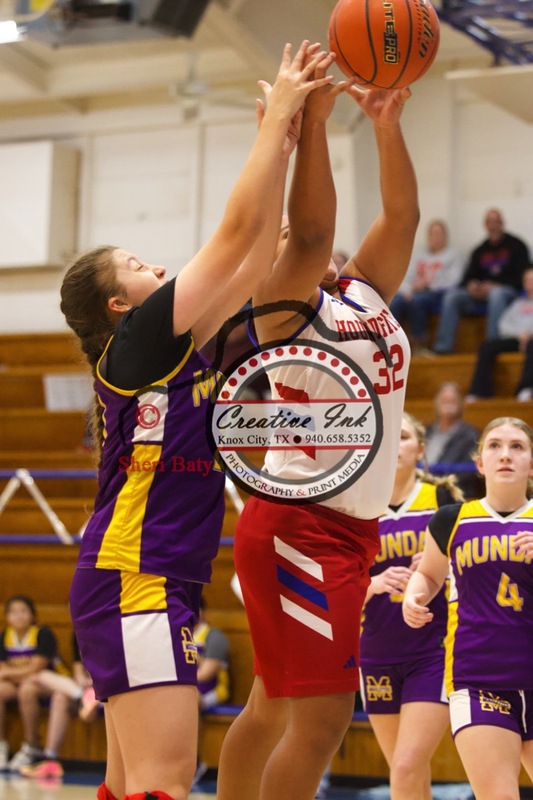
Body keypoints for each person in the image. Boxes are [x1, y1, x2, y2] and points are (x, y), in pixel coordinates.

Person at [59, 40, 335, 800]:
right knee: (164, 783)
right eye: (142, 266)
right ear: (121, 305)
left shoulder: (180, 347)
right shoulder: (139, 339)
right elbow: (238, 235)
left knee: (130, 785)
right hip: (136, 580)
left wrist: (285, 146)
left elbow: (253, 263)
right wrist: (275, 116)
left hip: (146, 578)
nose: (159, 268)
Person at [217, 59, 419, 800]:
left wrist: (385, 126)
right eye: (281, 240)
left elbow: (398, 219)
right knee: (326, 717)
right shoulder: (280, 309)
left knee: (273, 702)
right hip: (300, 526)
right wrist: (314, 134)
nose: (298, 241)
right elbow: (309, 231)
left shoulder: (358, 290)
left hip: (342, 529)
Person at [402, 417, 533, 800]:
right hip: (477, 680)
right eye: (494, 446)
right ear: (479, 463)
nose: (505, 454)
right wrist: (415, 594)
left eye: (517, 447)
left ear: (531, 463)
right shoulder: (451, 520)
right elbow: (428, 574)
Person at [359, 412, 464, 800]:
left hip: (432, 649)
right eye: (387, 437)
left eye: (403, 437)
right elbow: (333, 578)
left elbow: (475, 566)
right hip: (375, 650)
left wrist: (442, 568)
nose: (394, 445)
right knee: (408, 774)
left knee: (405, 766)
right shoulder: (359, 505)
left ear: (420, 449)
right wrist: (369, 582)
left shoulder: (441, 500)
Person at [433, 208, 530, 354]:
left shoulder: (517, 246)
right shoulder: (479, 250)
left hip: (507, 293)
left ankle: (493, 345)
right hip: (480, 295)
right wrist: (472, 285)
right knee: (452, 297)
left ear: (502, 223)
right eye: (489, 222)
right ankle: (443, 347)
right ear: (485, 225)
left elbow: (523, 278)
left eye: (496, 222)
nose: (493, 226)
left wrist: (497, 285)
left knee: (496, 294)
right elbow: (467, 279)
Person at [18, 632, 101, 779]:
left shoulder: (110, 629)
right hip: (86, 689)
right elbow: (78, 670)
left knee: (41, 677)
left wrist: (95, 684)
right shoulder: (78, 633)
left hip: (107, 690)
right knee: (59, 696)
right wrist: (85, 683)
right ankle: (50, 759)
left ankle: (86, 698)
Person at [0, 595, 68, 772]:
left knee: (27, 689)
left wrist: (10, 672)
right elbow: (2, 672)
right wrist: (16, 673)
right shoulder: (4, 636)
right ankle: (1, 746)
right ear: (7, 616)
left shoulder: (43, 634)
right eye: (13, 612)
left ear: (33, 615)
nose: (19, 616)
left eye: (23, 611)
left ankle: (32, 746)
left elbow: (37, 669)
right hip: (21, 682)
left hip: (52, 683)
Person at [389, 219, 464, 354]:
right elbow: (406, 275)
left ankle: (419, 344)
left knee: (418, 302)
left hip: (438, 293)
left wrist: (427, 285)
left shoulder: (454, 254)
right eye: (433, 234)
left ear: (445, 236)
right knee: (396, 301)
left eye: (439, 233)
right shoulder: (419, 254)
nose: (436, 237)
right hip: (415, 291)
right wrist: (407, 291)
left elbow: (454, 280)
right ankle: (389, 342)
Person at [467, 265, 533, 402]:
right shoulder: (518, 304)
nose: (530, 283)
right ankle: (480, 391)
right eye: (527, 280)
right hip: (516, 339)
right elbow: (504, 324)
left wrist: (529, 334)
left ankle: (526, 389)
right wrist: (520, 335)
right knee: (487, 346)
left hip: (531, 340)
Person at [193, 596, 230, 787]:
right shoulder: (177, 634)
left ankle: (195, 762)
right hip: (189, 689)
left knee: (189, 701)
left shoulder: (214, 637)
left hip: (215, 691)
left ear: (203, 612)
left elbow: (206, 674)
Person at [424, 382, 481, 499]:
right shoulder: (426, 431)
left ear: (460, 404)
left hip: (452, 494)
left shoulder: (470, 434)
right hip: (422, 489)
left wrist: (437, 483)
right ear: (436, 403)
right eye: (445, 400)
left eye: (452, 401)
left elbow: (467, 473)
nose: (448, 405)